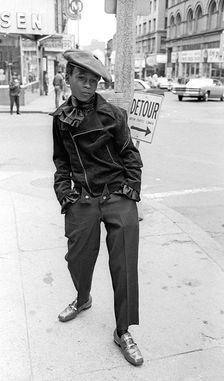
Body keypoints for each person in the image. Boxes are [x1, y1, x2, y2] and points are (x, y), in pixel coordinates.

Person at [51, 49, 144, 366]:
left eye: (94, 80)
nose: (89, 85)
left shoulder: (114, 115)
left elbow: (130, 156)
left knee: (125, 264)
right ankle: (82, 298)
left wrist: (130, 192)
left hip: (117, 195)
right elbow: (61, 163)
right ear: (68, 79)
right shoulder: (61, 119)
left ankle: (123, 331)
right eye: (82, 78)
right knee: (77, 257)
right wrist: (65, 194)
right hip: (84, 198)